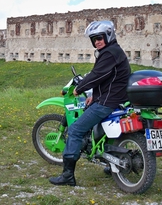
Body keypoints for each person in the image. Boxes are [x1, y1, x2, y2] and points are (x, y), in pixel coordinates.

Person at [49, 20, 131, 186]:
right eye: (93, 39)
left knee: (75, 130)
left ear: (108, 36)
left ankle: (68, 176)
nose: (97, 42)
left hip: (108, 102)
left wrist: (80, 88)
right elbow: (108, 78)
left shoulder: (109, 53)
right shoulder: (113, 51)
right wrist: (94, 95)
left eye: (99, 38)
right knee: (102, 131)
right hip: (113, 98)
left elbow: (97, 75)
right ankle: (111, 163)